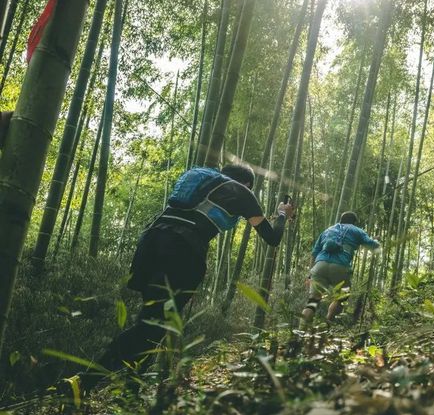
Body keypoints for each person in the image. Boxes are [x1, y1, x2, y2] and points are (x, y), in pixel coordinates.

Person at [69, 162, 295, 394]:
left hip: (151, 242)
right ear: (247, 183)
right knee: (152, 325)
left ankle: (131, 389)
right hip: (182, 251)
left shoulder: (201, 179)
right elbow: (272, 237)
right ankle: (83, 382)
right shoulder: (241, 191)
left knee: (153, 322)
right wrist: (281, 214)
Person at [302, 211, 380, 323]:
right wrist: (376, 240)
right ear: (354, 222)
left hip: (319, 266)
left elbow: (314, 254)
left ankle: (300, 333)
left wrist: (310, 274)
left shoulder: (327, 231)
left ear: (341, 220)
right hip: (340, 267)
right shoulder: (357, 230)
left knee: (312, 302)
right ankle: (328, 324)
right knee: (341, 298)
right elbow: (373, 245)